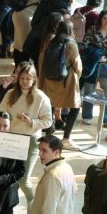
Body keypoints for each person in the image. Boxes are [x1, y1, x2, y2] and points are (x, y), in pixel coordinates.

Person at [0, 61, 53, 204]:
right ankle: (7, 204)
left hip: (30, 142)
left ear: (34, 79)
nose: (24, 81)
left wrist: (32, 122)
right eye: (22, 78)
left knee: (23, 180)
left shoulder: (40, 97)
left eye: (28, 78)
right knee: (6, 174)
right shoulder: (11, 93)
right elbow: (1, 113)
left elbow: (48, 121)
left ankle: (32, 205)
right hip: (11, 139)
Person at [24, 135, 77, 214]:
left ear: (57, 152)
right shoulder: (67, 168)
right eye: (39, 150)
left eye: (44, 151)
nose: (40, 154)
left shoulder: (53, 177)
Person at [39, 20, 82, 150]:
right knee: (75, 108)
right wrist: (77, 76)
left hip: (50, 80)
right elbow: (78, 66)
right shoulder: (71, 44)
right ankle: (66, 138)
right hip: (66, 82)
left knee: (50, 106)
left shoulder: (51, 41)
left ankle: (48, 135)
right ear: (70, 30)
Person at [80, 10, 107, 128]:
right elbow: (84, 45)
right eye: (105, 18)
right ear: (100, 19)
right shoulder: (92, 29)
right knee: (89, 90)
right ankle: (87, 116)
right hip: (92, 63)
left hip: (105, 64)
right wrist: (95, 53)